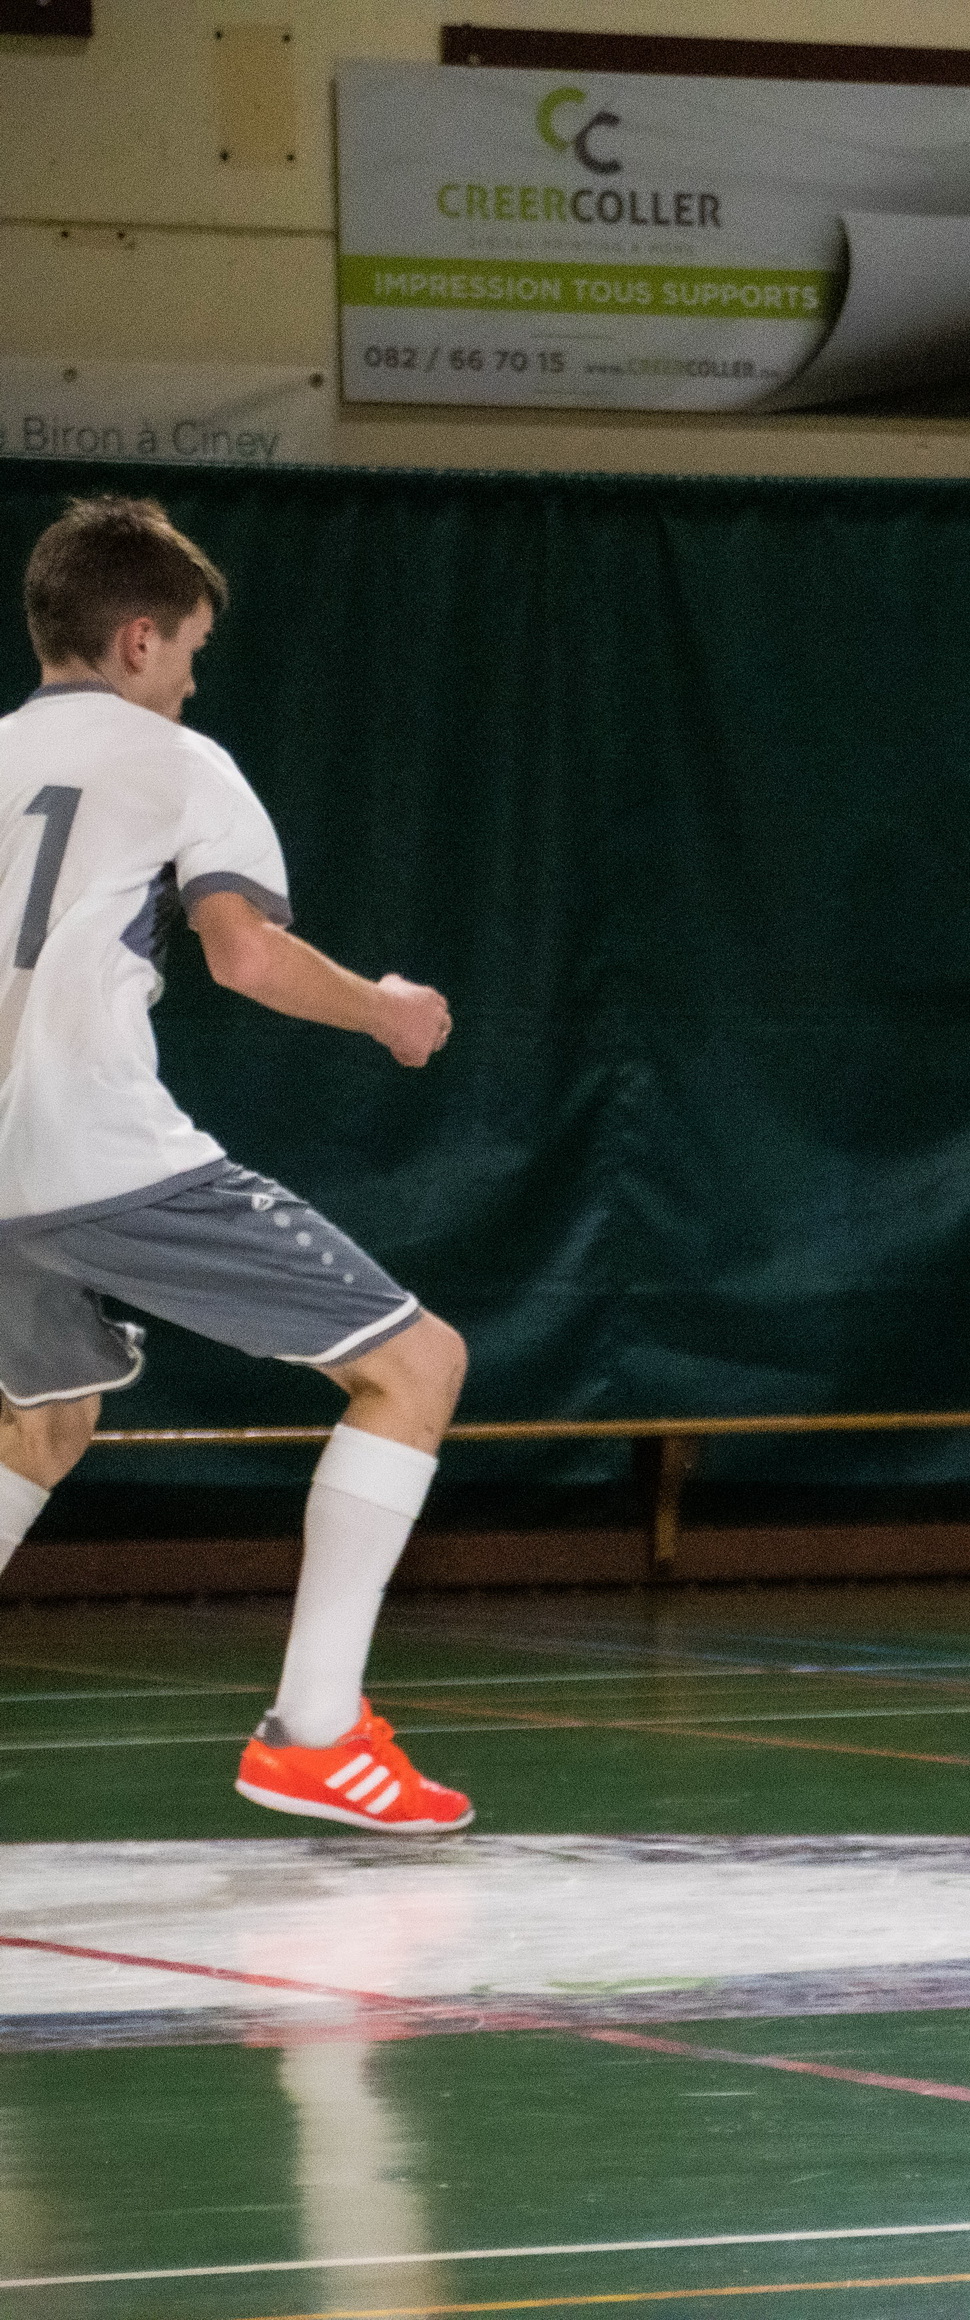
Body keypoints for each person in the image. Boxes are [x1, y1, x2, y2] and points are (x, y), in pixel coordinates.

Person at [0, 497, 473, 1831]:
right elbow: (246, 954)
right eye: (194, 649)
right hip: (94, 1150)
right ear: (139, 639)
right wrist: (383, 1009)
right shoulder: (179, 761)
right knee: (418, 1365)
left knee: (42, 1421)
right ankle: (314, 1733)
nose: (196, 680)